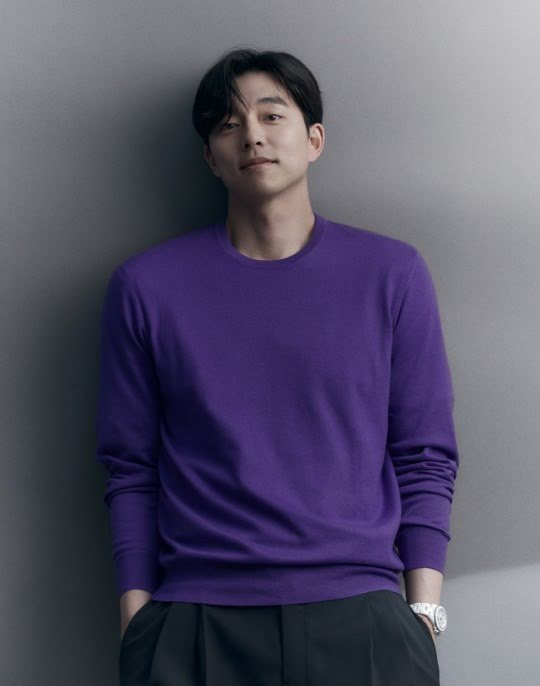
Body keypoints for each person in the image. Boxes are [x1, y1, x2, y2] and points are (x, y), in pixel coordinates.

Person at [95, 47, 459, 686]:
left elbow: (424, 452)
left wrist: (423, 613)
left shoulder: (391, 274)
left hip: (362, 616)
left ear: (314, 139)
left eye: (271, 115)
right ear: (210, 157)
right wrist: (137, 620)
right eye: (228, 124)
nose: (252, 136)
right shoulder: (147, 287)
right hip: (197, 619)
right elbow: (130, 466)